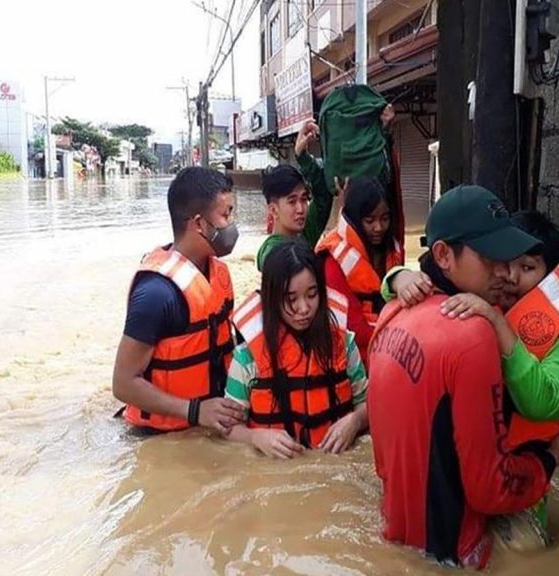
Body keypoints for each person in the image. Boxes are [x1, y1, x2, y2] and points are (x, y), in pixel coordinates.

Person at [367, 185, 559, 569]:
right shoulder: (474, 333)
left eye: (524, 266)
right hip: (460, 543)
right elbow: (490, 490)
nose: (507, 274)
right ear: (442, 255)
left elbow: (545, 399)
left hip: (400, 527)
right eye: (494, 258)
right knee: (532, 550)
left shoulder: (392, 313)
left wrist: (397, 280)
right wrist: (553, 457)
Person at [112, 167, 246, 434]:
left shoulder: (218, 273)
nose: (232, 224)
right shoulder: (157, 293)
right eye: (226, 214)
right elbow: (123, 384)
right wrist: (196, 411)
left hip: (213, 421)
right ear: (198, 223)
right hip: (159, 436)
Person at [225, 239, 369, 458]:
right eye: (291, 299)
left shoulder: (345, 344)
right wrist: (256, 438)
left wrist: (356, 421)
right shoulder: (247, 359)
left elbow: (371, 405)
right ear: (272, 300)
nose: (304, 309)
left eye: (312, 295)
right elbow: (226, 429)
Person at [316, 176, 404, 364]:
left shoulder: (393, 250)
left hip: (391, 348)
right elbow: (353, 326)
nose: (378, 227)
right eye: (369, 220)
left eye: (385, 218)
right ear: (355, 218)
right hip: (354, 359)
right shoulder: (332, 260)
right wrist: (400, 340)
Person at [255, 120, 335, 271]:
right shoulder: (271, 252)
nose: (301, 209)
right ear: (273, 210)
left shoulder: (304, 234)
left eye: (304, 199)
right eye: (292, 201)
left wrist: (302, 156)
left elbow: (323, 193)